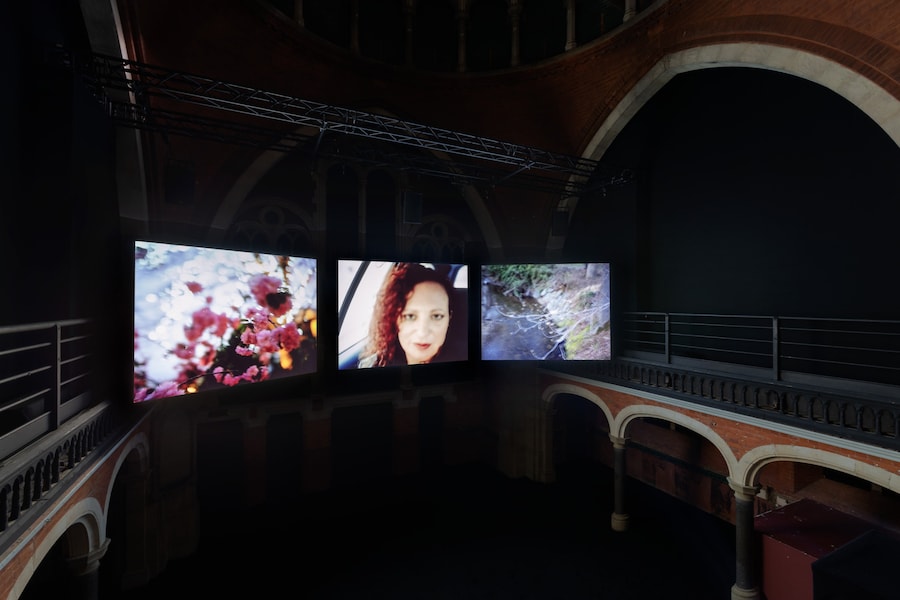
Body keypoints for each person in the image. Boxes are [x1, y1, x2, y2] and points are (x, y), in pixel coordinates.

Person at [358, 262, 456, 367]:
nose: (422, 333)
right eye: (410, 316)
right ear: (394, 318)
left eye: (437, 316)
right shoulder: (374, 365)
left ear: (449, 318)